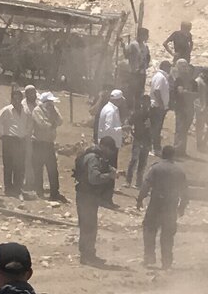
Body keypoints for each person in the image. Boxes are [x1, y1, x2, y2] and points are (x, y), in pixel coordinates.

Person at [136, 146, 188, 269]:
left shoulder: (156, 168)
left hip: (156, 204)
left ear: (162, 155)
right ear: (173, 156)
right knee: (168, 234)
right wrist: (182, 207)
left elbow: (146, 184)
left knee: (149, 229)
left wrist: (140, 199)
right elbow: (185, 192)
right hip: (171, 205)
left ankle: (149, 257)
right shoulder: (179, 171)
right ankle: (167, 261)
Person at [74, 137, 117, 265]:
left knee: (88, 225)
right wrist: (110, 176)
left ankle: (88, 254)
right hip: (87, 196)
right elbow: (94, 178)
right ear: (104, 146)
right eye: (109, 149)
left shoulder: (95, 156)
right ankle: (87, 256)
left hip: (88, 195)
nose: (110, 152)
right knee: (89, 226)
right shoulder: (93, 157)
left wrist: (110, 171)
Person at [0, 88, 32, 200]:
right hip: (9, 140)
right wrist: (1, 135)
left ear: (21, 99)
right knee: (8, 165)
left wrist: (27, 133)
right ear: (12, 99)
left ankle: (17, 188)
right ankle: (8, 189)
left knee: (20, 166)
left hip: (21, 141)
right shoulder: (6, 110)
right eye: (14, 98)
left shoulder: (25, 110)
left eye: (19, 98)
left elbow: (30, 122)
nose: (17, 100)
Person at [31, 92, 66, 202]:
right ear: (45, 102)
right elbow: (43, 125)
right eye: (49, 102)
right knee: (38, 168)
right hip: (38, 143)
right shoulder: (37, 110)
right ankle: (39, 191)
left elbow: (60, 121)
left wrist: (54, 114)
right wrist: (53, 123)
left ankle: (54, 192)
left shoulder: (54, 110)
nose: (51, 104)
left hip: (49, 143)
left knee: (52, 168)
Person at [122, 28, 150, 113]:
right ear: (141, 35)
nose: (147, 37)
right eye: (146, 35)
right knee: (132, 92)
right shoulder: (133, 45)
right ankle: (129, 110)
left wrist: (146, 64)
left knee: (139, 92)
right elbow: (126, 55)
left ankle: (137, 111)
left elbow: (147, 57)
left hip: (142, 73)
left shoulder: (145, 46)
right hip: (134, 72)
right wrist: (123, 46)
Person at [170, 59, 195, 155]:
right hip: (180, 107)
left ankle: (182, 151)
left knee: (185, 129)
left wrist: (187, 93)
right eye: (183, 66)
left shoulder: (191, 80)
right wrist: (189, 94)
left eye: (186, 66)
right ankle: (176, 150)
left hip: (189, 107)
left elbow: (197, 94)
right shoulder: (178, 79)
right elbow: (180, 92)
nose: (185, 69)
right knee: (179, 129)